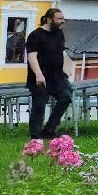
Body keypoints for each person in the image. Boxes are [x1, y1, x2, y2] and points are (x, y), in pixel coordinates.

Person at [26, 7, 72, 140]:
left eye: (63, 18)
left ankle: (50, 128)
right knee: (39, 105)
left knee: (66, 97)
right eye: (60, 19)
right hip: (41, 76)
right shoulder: (36, 35)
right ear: (49, 19)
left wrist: (65, 68)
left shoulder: (59, 34)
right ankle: (36, 135)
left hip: (57, 75)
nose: (63, 21)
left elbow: (62, 52)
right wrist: (38, 74)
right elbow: (32, 56)